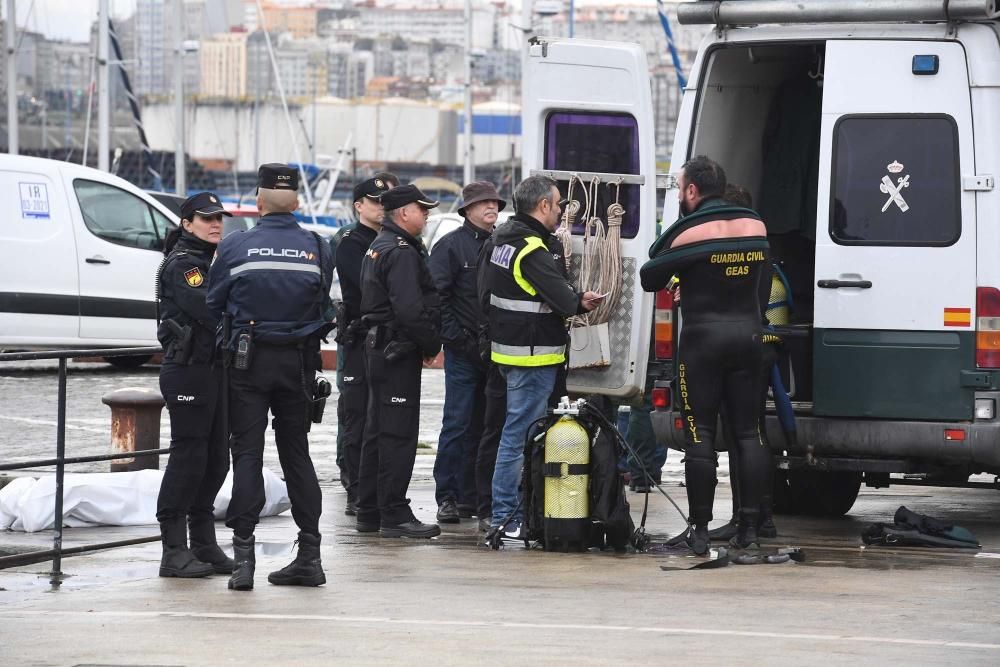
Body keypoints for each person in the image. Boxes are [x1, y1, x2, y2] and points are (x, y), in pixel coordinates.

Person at [207, 164, 334, 590]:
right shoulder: (318, 245)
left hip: (248, 362)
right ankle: (310, 556)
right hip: (298, 363)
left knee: (247, 455)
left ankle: (243, 560)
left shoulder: (235, 246)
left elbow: (214, 301)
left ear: (258, 203)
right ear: (297, 202)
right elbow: (323, 307)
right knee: (296, 455)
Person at [639, 156, 770, 555]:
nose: (680, 194)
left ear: (692, 191)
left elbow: (650, 275)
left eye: (680, 188)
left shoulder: (690, 231)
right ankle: (749, 528)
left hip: (703, 343)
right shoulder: (755, 225)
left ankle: (698, 530)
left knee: (700, 437)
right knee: (750, 435)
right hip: (750, 337)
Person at [480, 175, 600, 538]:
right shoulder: (532, 249)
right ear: (543, 205)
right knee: (518, 435)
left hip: (509, 352)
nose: (562, 210)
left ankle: (511, 509)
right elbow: (562, 301)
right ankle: (505, 514)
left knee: (515, 432)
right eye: (559, 203)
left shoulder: (502, 238)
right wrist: (576, 298)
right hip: (533, 357)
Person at [154, 192, 234, 578]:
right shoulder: (186, 265)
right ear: (187, 224)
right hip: (187, 370)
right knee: (188, 458)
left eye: (218, 217)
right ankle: (173, 549)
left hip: (213, 369)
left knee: (217, 457)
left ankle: (203, 542)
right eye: (206, 219)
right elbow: (209, 308)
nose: (215, 223)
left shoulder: (209, 261)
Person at [358, 184, 443, 538]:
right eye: (421, 209)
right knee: (397, 434)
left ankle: (369, 510)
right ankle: (392, 512)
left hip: (381, 349)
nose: (426, 214)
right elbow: (410, 309)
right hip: (396, 351)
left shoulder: (380, 246)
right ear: (403, 213)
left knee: (377, 432)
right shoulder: (402, 251)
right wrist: (430, 343)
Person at [429, 181, 505, 524]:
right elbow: (437, 299)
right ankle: (447, 495)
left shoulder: (503, 243)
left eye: (495, 202)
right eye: (484, 202)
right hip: (462, 352)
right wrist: (456, 339)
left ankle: (474, 495)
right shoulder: (449, 247)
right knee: (457, 423)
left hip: (495, 352)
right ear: (468, 209)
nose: (492, 207)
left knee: (488, 424)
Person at [331, 172, 399, 500]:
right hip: (360, 338)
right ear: (359, 205)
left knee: (384, 417)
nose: (381, 207)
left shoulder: (394, 242)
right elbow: (366, 291)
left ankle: (375, 487)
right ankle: (356, 486)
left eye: (385, 202)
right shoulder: (351, 243)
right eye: (375, 202)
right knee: (356, 415)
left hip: (387, 341)